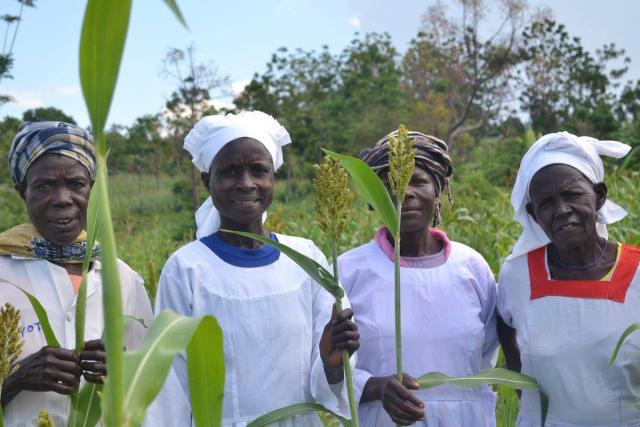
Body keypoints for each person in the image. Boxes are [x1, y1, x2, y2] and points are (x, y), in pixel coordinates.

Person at [145, 111, 359, 426]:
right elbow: (171, 384)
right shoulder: (187, 268)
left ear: (272, 178)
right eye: (231, 171)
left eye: (258, 171)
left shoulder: (306, 259)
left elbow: (328, 372)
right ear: (208, 181)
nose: (246, 184)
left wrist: (333, 361)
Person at [338, 130, 498, 426]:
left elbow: (485, 357)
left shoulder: (472, 266)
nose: (404, 192)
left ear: (438, 191)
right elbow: (330, 369)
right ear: (373, 199)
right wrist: (376, 387)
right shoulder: (350, 270)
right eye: (390, 185)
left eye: (418, 181)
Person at [0, 121, 153, 427]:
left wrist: (123, 372)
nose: (62, 199)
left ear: (93, 190)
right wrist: (14, 379)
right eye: (44, 186)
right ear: (22, 192)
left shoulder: (122, 278)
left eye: (76, 184)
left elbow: (154, 387)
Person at [497, 131, 640, 426]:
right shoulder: (517, 275)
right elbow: (506, 333)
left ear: (599, 196)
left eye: (573, 195)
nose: (561, 210)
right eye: (546, 203)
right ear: (533, 214)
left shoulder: (636, 270)